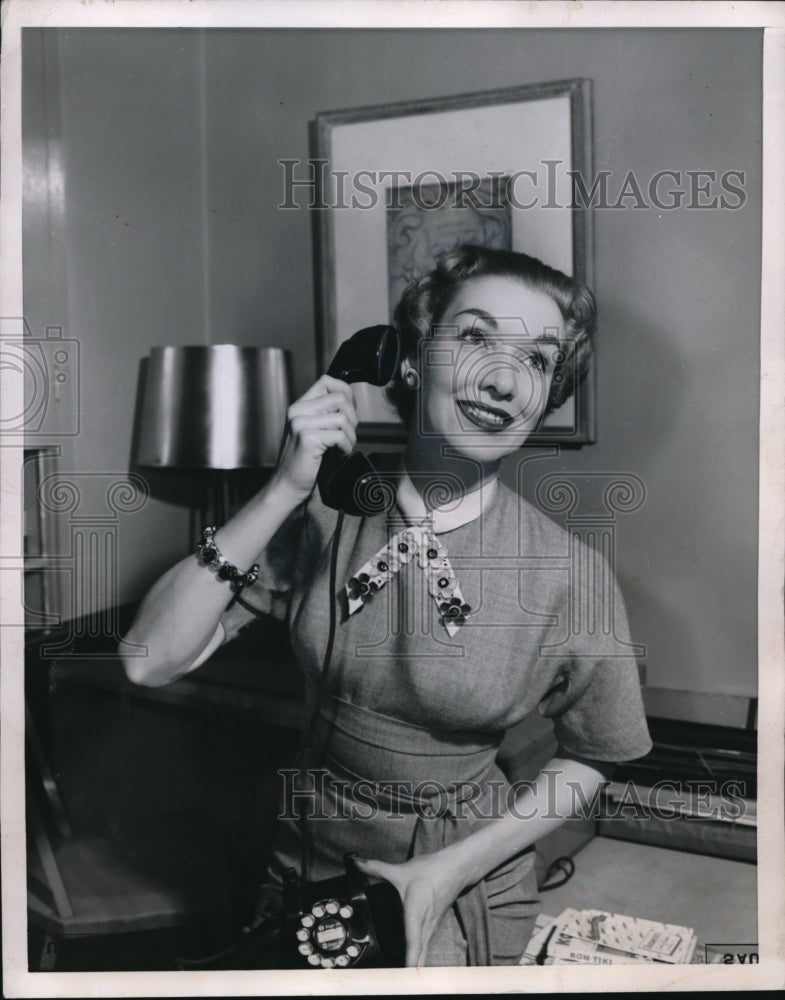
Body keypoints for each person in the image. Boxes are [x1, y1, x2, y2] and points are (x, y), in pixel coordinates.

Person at [121, 245, 652, 968]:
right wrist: (283, 490)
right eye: (474, 337)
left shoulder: (571, 574)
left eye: (536, 359)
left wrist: (447, 873)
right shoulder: (321, 517)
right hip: (304, 865)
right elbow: (147, 661)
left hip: (460, 885)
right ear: (407, 361)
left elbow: (595, 755)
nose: (502, 380)